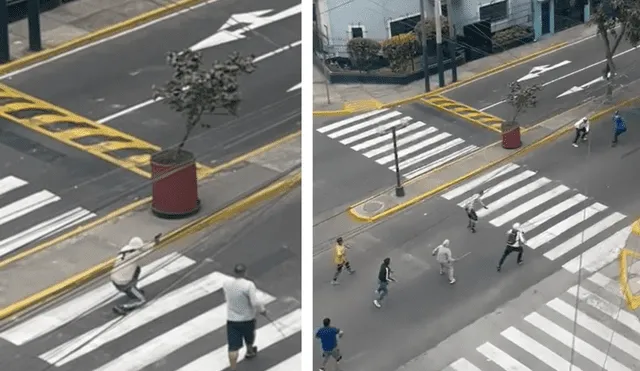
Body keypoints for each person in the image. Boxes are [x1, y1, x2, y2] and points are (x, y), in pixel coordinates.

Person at [222, 263, 267, 370]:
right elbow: (254, 302)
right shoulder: (248, 285)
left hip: (232, 319)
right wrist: (262, 310)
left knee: (233, 347)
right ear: (245, 272)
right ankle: (250, 351)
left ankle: (233, 368)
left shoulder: (226, 283)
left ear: (234, 272)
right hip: (247, 318)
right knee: (249, 335)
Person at [110, 235, 160, 315]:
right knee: (141, 300)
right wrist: (155, 244)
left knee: (137, 269)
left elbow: (141, 248)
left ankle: (132, 291)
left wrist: (153, 242)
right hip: (124, 283)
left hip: (114, 279)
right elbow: (145, 251)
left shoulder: (125, 250)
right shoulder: (135, 255)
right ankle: (123, 307)